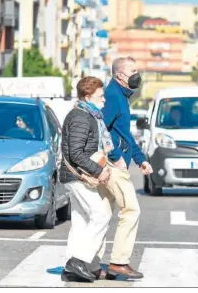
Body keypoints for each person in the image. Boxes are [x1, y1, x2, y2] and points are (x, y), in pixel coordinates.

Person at [100, 56, 153, 279]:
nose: (136, 74)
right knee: (131, 210)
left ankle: (91, 262)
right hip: (114, 164)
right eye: (132, 70)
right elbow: (100, 127)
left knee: (102, 214)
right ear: (120, 75)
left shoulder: (120, 96)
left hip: (117, 162)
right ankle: (119, 262)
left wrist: (140, 158)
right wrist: (115, 155)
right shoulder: (113, 95)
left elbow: (124, 134)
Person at [59, 76, 113, 283]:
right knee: (101, 216)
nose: (104, 100)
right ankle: (79, 260)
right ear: (88, 96)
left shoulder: (86, 114)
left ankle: (70, 267)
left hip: (77, 175)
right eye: (100, 95)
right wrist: (99, 171)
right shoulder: (82, 117)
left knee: (81, 221)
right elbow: (76, 153)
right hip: (78, 175)